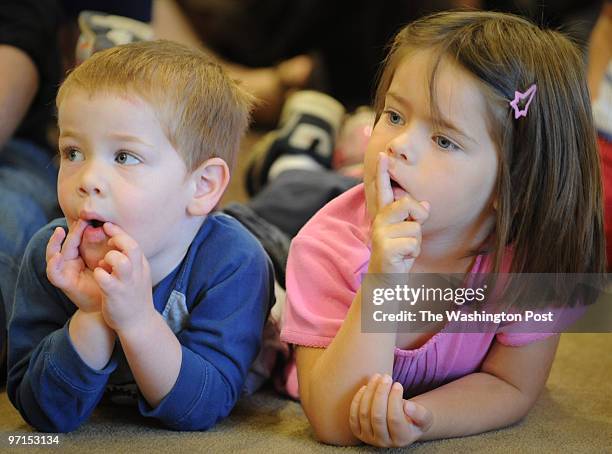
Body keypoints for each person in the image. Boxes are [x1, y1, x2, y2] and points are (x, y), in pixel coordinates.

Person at [279, 11, 606, 447]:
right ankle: (300, 152)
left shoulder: (528, 265)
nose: (399, 144)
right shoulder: (326, 247)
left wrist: (426, 418)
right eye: (394, 115)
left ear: (514, 181)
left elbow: (512, 385)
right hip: (286, 243)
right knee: (273, 214)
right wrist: (384, 277)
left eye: (444, 140)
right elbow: (335, 421)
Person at [7, 40, 274, 432]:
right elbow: (40, 411)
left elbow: (205, 406)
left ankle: (293, 162)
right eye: (73, 152)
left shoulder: (236, 263)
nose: (88, 180)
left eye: (124, 157)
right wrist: (95, 313)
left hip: (268, 240)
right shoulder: (52, 256)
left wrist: (135, 320)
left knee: (293, 217)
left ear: (202, 185)